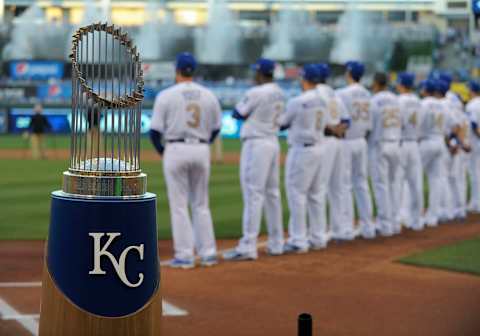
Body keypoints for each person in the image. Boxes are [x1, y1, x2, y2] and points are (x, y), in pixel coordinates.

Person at [150, 52, 222, 269]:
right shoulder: (208, 95)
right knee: (201, 203)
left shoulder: (167, 95)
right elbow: (217, 127)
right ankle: (208, 253)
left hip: (176, 147)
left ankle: (184, 255)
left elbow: (154, 132)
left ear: (177, 70)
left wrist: (164, 152)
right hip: (200, 148)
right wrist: (203, 144)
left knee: (179, 205)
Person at [223, 58, 285, 261]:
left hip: (257, 144)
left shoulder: (257, 92)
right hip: (273, 142)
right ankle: (277, 243)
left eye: (255, 72)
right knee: (272, 194)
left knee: (253, 193)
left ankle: (248, 245)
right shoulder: (279, 91)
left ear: (260, 73)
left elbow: (237, 113)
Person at [280, 64, 333, 253]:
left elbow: (281, 123)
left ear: (304, 79)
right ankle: (318, 238)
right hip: (320, 147)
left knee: (297, 194)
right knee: (316, 194)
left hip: (302, 150)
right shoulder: (324, 100)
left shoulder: (298, 101)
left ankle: (298, 240)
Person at [314, 64, 358, 239]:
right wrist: (338, 129)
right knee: (338, 187)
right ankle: (340, 229)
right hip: (339, 143)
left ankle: (320, 231)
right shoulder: (334, 94)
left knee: (320, 187)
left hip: (324, 141)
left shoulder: (315, 94)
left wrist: (331, 129)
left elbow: (314, 120)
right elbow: (347, 121)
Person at [336, 61, 374, 240]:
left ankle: (346, 228)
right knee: (361, 183)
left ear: (349, 73)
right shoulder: (368, 93)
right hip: (362, 141)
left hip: (347, 141)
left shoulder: (342, 93)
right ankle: (368, 227)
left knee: (345, 185)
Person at [369, 72, 402, 236]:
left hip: (380, 144)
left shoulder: (374, 100)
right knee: (393, 184)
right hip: (396, 143)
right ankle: (395, 222)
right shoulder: (396, 99)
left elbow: (369, 126)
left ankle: (385, 225)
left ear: (376, 83)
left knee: (381, 185)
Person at [395, 72, 424, 231]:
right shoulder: (418, 101)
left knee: (398, 182)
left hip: (402, 143)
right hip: (415, 144)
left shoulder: (399, 101)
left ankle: (398, 218)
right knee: (416, 183)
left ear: (402, 84)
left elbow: (397, 123)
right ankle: (417, 220)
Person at [418, 79, 447, 227]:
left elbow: (418, 124)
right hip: (440, 141)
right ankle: (432, 217)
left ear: (425, 89)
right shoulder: (441, 104)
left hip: (426, 141)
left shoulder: (424, 104)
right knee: (436, 180)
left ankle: (414, 215)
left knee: (415, 178)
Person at [466, 80, 480, 212]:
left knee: (474, 173)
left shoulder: (472, 105)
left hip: (476, 142)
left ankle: (476, 202)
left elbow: (474, 125)